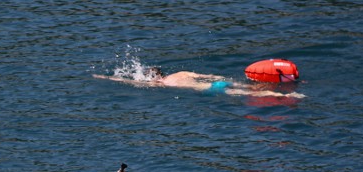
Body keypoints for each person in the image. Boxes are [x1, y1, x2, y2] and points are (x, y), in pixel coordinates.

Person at [93, 67, 305, 98]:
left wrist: (105, 77)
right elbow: (210, 76)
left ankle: (283, 95)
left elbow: (128, 81)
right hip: (218, 81)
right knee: (248, 87)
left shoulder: (162, 84)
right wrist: (224, 80)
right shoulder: (181, 72)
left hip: (210, 89)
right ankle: (273, 86)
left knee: (249, 95)